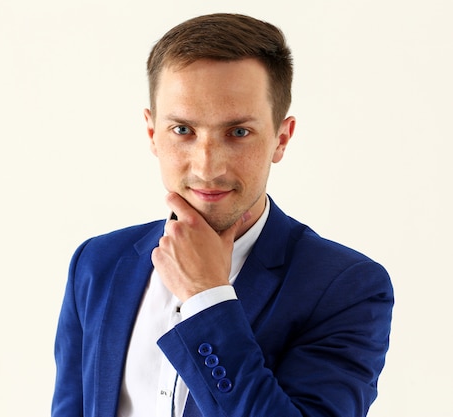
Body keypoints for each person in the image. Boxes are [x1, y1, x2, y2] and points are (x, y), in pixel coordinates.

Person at [51, 13, 393, 417]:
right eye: (183, 130)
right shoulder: (98, 262)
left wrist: (207, 298)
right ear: (152, 133)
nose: (207, 166)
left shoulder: (346, 287)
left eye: (238, 132)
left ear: (281, 139)